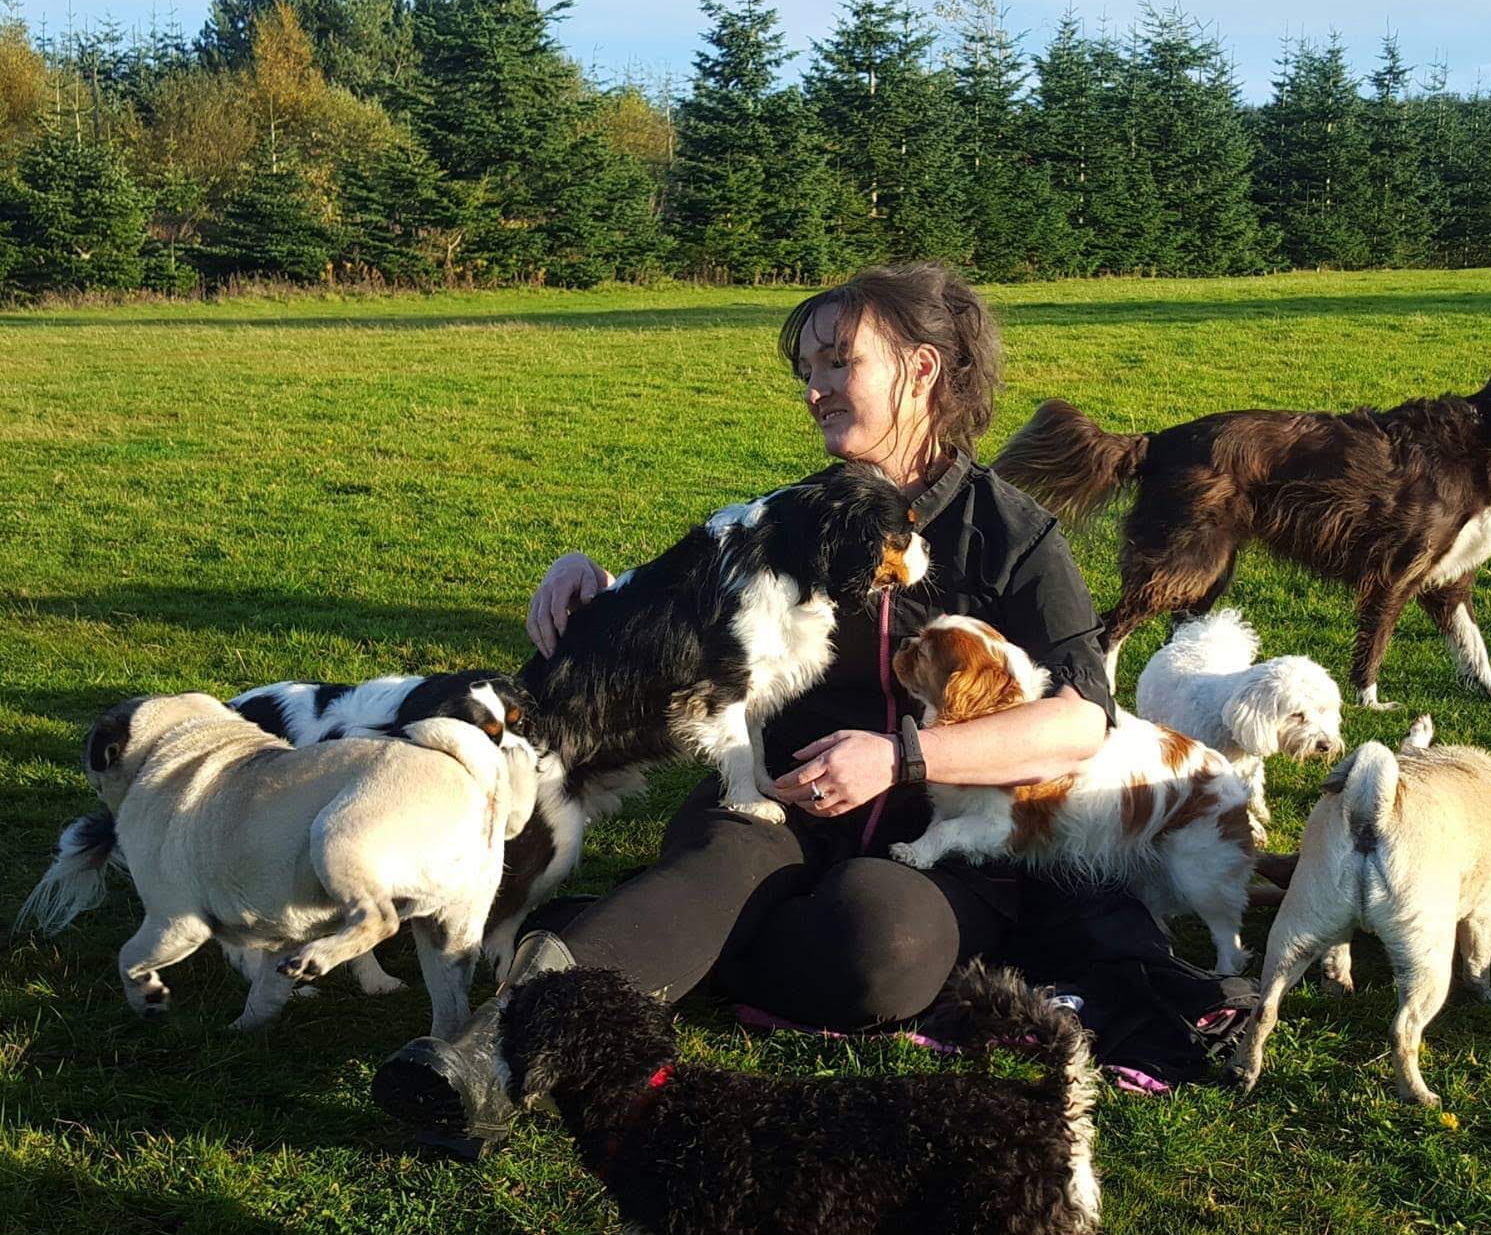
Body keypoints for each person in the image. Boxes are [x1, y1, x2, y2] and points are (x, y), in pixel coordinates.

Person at [373, 263, 1253, 1154]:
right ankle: (490, 1062)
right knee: (715, 870)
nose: (814, 389)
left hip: (937, 841)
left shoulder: (1014, 535)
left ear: (921, 371)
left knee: (881, 945)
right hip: (775, 799)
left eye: (837, 363)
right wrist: (592, 581)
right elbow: (685, 608)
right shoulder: (800, 513)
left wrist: (903, 760)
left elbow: (1082, 721)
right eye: (808, 369)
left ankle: (630, 947)